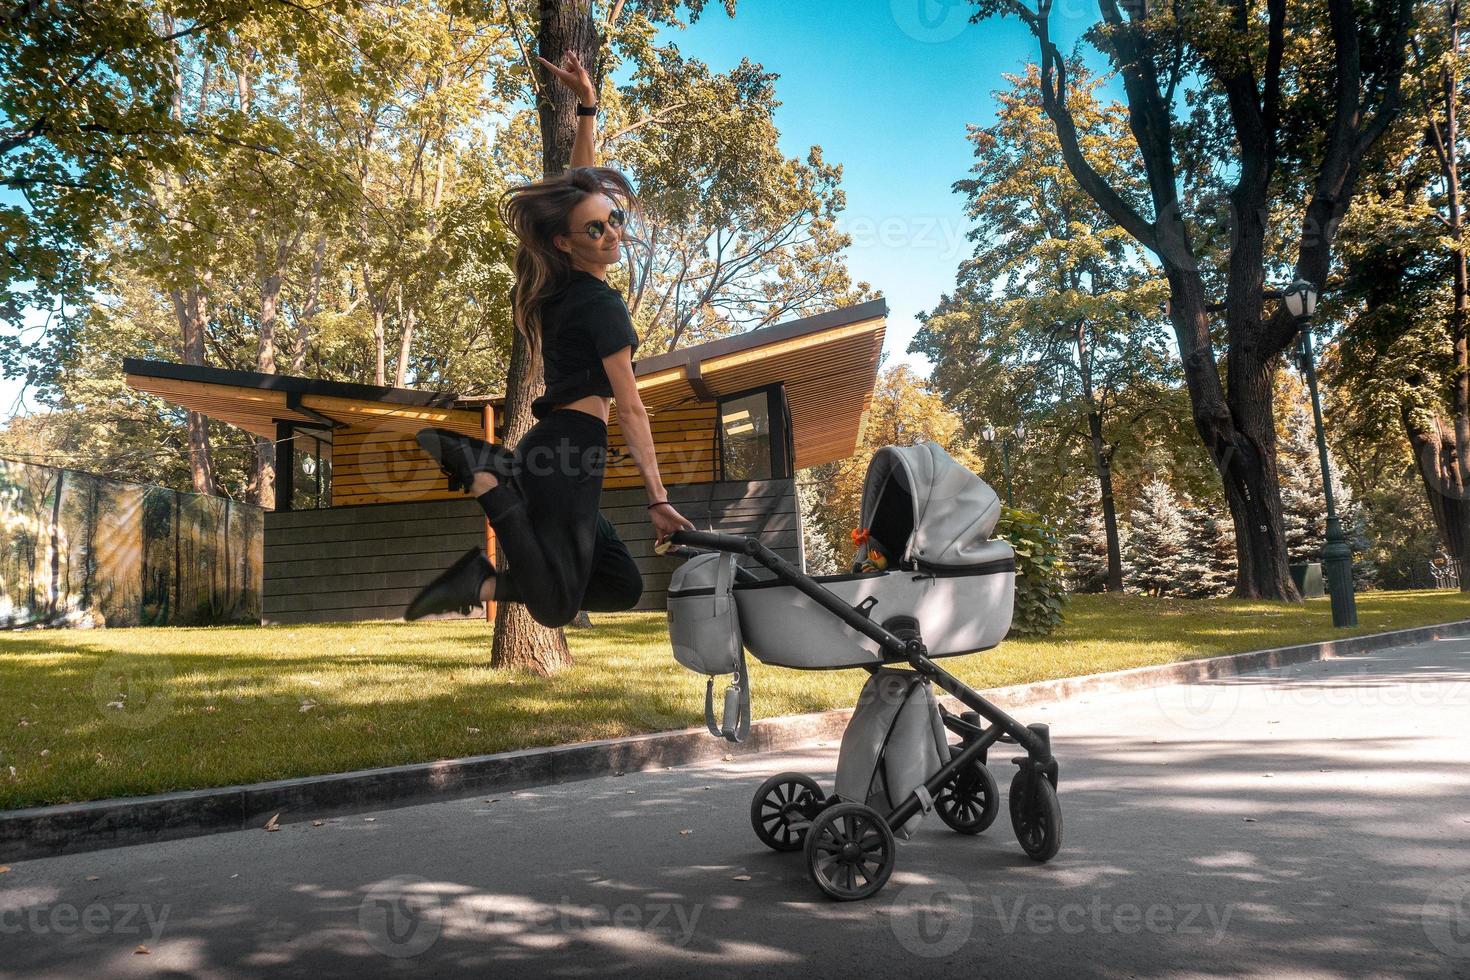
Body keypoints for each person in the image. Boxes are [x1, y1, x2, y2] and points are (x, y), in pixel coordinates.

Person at [404, 50, 694, 627]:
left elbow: (577, 189)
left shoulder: (566, 283)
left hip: (557, 452)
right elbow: (631, 408)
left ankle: (484, 560)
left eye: (613, 220)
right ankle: (488, 482)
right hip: (569, 454)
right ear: (566, 242)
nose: (611, 232)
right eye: (596, 228)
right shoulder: (601, 306)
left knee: (618, 584)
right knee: (556, 605)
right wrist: (658, 497)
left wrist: (587, 106)